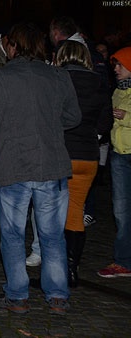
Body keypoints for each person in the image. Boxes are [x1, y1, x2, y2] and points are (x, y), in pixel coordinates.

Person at [0, 21, 80, 315]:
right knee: (53, 235)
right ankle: (57, 296)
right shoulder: (58, 77)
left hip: (13, 165)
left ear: (13, 46)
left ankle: (18, 295)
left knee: (13, 235)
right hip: (50, 165)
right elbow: (73, 116)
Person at [51, 41, 112, 286]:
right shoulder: (99, 82)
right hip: (87, 156)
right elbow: (104, 123)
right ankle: (72, 267)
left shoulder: (57, 80)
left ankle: (54, 267)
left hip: (60, 153)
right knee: (75, 212)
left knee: (52, 212)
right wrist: (92, 137)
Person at [97, 46, 131, 279]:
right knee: (121, 211)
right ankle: (123, 261)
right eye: (114, 65)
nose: (116, 69)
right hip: (119, 155)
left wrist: (125, 117)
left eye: (120, 65)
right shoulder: (117, 90)